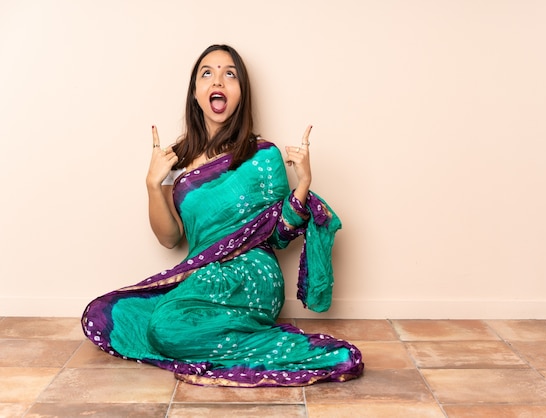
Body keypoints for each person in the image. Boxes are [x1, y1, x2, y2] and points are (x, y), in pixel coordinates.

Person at [81, 44, 363, 387]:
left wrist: (304, 183)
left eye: (230, 74)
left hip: (254, 273)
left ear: (241, 93)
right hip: (204, 275)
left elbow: (279, 235)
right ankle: (239, 334)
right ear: (196, 93)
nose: (219, 80)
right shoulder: (177, 160)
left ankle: (279, 344)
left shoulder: (263, 155)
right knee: (111, 315)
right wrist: (153, 184)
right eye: (207, 73)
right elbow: (170, 239)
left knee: (163, 329)